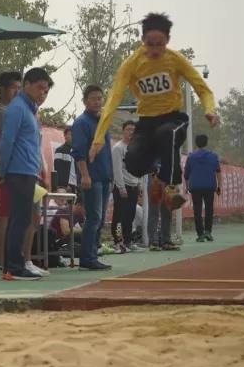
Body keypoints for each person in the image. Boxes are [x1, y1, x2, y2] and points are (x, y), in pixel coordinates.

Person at [88, 13, 220, 211]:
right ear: (143, 40)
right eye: (150, 44)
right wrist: (98, 139)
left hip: (173, 119)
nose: (155, 50)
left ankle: (173, 188)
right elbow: (113, 98)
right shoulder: (131, 64)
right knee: (132, 164)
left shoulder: (176, 59)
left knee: (166, 133)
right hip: (147, 122)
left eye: (160, 44)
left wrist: (210, 110)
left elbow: (202, 88)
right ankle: (157, 172)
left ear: (168, 40)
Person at [0, 67, 52, 281]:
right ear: (26, 84)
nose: (42, 93)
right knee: (19, 219)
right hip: (17, 171)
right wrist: (2, 170)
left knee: (22, 219)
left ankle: (14, 265)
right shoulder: (17, 108)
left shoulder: (30, 111)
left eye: (46, 90)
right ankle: (14, 267)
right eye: (39, 87)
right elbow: (7, 141)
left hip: (28, 171)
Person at [71, 85, 113, 270]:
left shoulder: (103, 121)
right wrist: (85, 175)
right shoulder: (81, 123)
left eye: (100, 98)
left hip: (105, 176)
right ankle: (87, 259)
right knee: (93, 218)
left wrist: (110, 175)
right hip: (92, 177)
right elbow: (79, 153)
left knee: (100, 219)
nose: (98, 102)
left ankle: (93, 254)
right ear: (85, 101)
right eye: (93, 98)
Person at [0, 71, 21, 269]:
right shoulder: (1, 112)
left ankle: (9, 256)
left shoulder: (11, 109)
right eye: (13, 88)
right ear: (2, 89)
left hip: (14, 166)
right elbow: (4, 143)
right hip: (7, 167)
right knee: (5, 214)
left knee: (12, 215)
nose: (16, 92)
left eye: (19, 88)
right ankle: (0, 258)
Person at [111, 120, 144, 252]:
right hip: (122, 187)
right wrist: (121, 187)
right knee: (119, 216)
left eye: (133, 130)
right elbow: (117, 169)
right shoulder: (118, 148)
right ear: (123, 131)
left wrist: (139, 184)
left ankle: (128, 241)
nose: (131, 132)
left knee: (130, 216)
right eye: (128, 129)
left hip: (134, 186)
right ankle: (118, 242)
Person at [185, 134, 222, 242]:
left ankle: (200, 234)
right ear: (206, 142)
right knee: (209, 209)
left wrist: (187, 186)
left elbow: (186, 174)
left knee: (197, 210)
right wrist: (219, 186)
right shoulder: (213, 156)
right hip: (209, 186)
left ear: (196, 143)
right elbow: (218, 172)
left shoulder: (191, 157)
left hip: (196, 187)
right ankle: (208, 232)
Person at [147, 165, 178, 251]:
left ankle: (166, 241)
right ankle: (153, 242)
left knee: (168, 211)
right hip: (154, 177)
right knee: (154, 212)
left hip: (168, 180)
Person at [54, 125, 77, 192]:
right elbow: (57, 169)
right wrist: (62, 186)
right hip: (65, 186)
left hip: (77, 185)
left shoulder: (78, 150)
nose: (72, 136)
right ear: (65, 136)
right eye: (70, 134)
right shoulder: (60, 150)